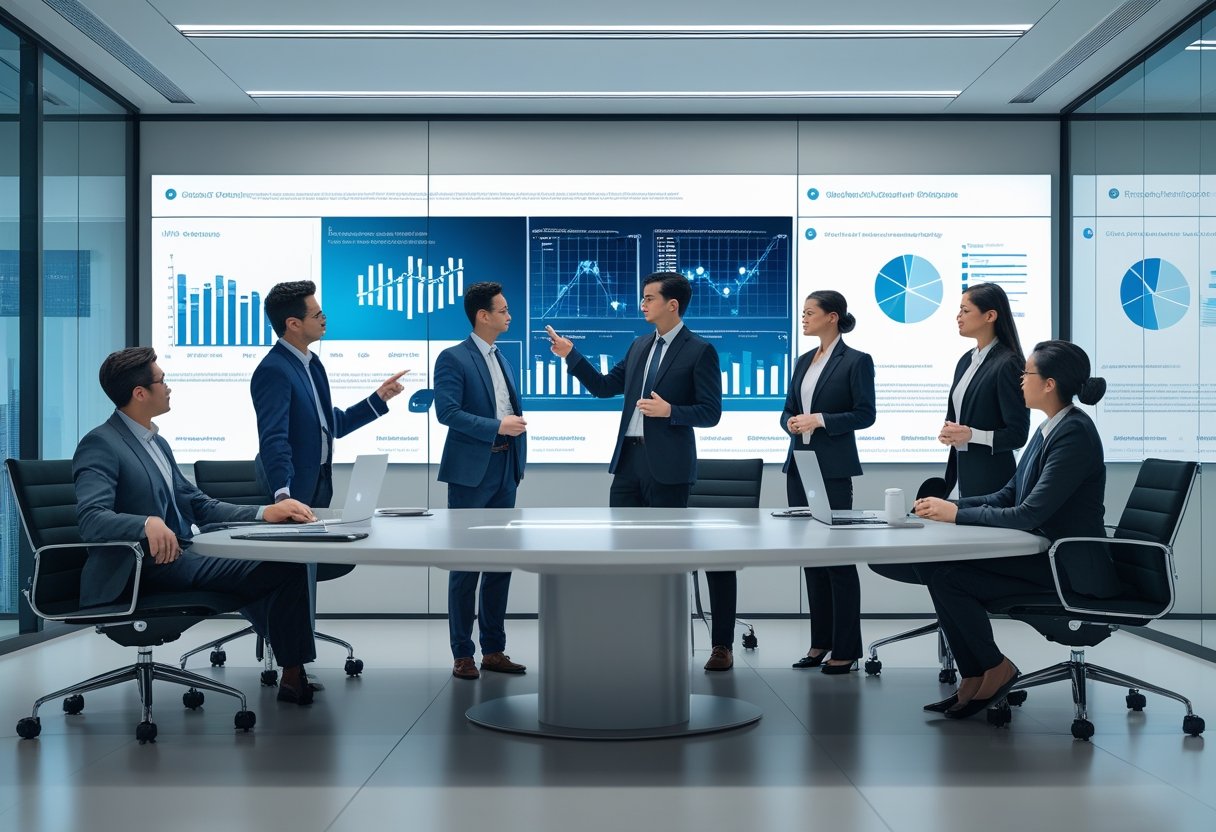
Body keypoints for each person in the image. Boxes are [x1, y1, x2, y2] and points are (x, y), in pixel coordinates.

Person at [74, 347, 321, 705]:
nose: (168, 387)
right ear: (140, 393)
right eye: (162, 380)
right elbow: (91, 518)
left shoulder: (155, 442)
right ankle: (293, 675)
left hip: (179, 556)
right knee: (282, 567)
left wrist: (265, 513)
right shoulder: (102, 444)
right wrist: (145, 523)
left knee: (280, 560)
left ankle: (292, 672)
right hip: (142, 569)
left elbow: (198, 505)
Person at [912, 340, 1111, 719]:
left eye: (1027, 374)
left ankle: (994, 668)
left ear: (1049, 384)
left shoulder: (1074, 433)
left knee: (949, 577)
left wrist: (955, 516)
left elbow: (1028, 513)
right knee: (935, 568)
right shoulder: (1050, 427)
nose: (1021, 381)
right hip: (1048, 556)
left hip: (1067, 568)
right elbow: (1008, 494)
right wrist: (949, 506)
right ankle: (975, 675)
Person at [546, 272, 728, 669]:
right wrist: (571, 355)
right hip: (628, 463)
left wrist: (671, 411)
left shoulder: (700, 350)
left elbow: (712, 412)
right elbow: (603, 386)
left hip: (668, 469)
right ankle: (627, 636)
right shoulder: (640, 344)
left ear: (672, 305)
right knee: (623, 557)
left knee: (665, 561)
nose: (641, 304)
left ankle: (672, 642)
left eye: (648, 298)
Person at [869, 284, 1029, 597]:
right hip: (958, 477)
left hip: (990, 482)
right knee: (950, 568)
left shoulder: (1007, 363)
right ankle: (955, 638)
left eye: (965, 310)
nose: (958, 316)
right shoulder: (966, 360)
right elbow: (959, 418)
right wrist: (951, 432)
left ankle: (962, 639)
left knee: (964, 573)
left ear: (990, 316)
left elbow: (1018, 433)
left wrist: (972, 435)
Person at [434, 281, 528, 680]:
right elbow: (447, 413)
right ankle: (462, 653)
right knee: (466, 565)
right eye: (503, 310)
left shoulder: (501, 357)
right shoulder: (453, 358)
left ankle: (494, 649)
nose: (509, 316)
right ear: (483, 316)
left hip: (505, 468)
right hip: (472, 475)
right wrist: (498, 426)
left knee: (499, 564)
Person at [781, 290, 876, 674]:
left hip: (832, 467)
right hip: (799, 464)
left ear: (832, 317)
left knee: (837, 559)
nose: (803, 318)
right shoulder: (804, 359)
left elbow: (865, 414)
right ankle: (820, 642)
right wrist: (790, 421)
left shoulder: (856, 361)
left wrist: (820, 420)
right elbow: (789, 407)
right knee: (812, 560)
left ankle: (847, 648)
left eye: (810, 313)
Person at [252, 280, 406, 509]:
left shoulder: (313, 364)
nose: (324, 319)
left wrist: (379, 398)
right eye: (317, 315)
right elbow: (274, 438)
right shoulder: (274, 369)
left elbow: (332, 425)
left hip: (320, 481)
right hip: (293, 488)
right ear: (293, 323)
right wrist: (282, 494)